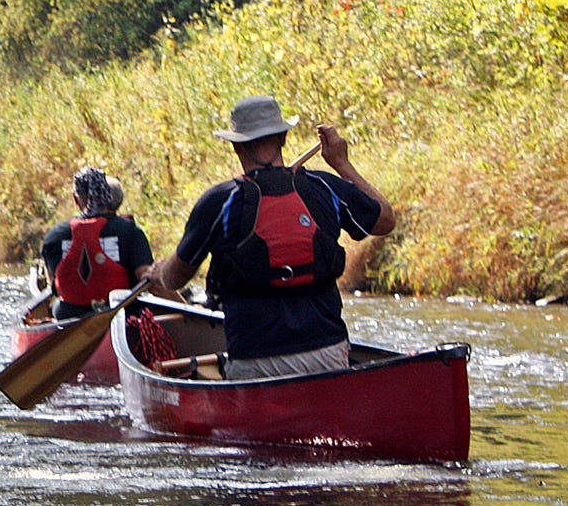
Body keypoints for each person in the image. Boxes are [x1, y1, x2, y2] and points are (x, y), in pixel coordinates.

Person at [151, 95, 394, 379]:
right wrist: (341, 163)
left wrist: (160, 272)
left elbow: (175, 279)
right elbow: (385, 220)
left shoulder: (219, 201)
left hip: (255, 359)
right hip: (329, 354)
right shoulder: (323, 187)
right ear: (283, 138)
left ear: (236, 144)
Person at [40, 166, 154, 320]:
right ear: (107, 196)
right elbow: (147, 278)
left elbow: (54, 285)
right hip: (123, 314)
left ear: (76, 199)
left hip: (68, 316)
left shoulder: (54, 236)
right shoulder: (131, 231)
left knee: (55, 305)